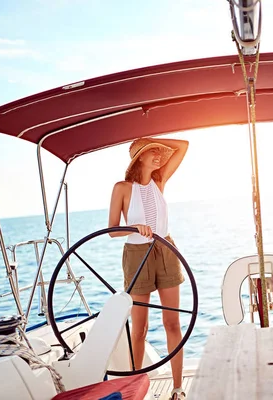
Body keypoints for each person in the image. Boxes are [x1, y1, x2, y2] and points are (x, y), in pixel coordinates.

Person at [108, 137, 189, 400]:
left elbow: (183, 145)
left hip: (166, 249)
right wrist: (134, 228)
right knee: (140, 329)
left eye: (158, 152)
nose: (157, 156)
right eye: (150, 152)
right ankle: (135, 391)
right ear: (138, 158)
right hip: (136, 254)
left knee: (172, 322)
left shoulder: (160, 181)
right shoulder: (121, 187)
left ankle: (177, 389)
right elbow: (111, 230)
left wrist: (151, 139)